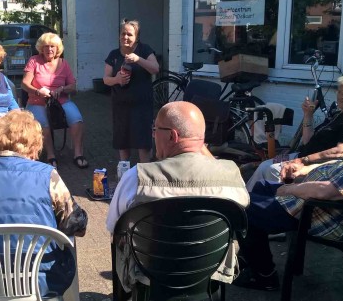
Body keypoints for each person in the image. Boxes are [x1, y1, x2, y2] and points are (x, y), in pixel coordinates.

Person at [233, 91, 343, 291]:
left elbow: (328, 192)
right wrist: (305, 169)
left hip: (320, 213)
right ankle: (250, 253)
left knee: (242, 208)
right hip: (321, 204)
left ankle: (264, 276)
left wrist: (290, 188)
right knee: (261, 188)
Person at [106, 101, 250, 293]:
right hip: (210, 273)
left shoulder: (136, 177)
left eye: (155, 129)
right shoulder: (231, 175)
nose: (152, 134)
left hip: (149, 276)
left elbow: (113, 229)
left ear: (172, 136)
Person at [0, 110, 87, 298]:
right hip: (39, 278)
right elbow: (75, 224)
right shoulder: (47, 175)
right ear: (35, 145)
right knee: (69, 240)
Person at [245, 73, 343, 192]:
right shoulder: (338, 114)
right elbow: (307, 140)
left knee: (270, 168)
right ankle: (245, 201)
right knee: (264, 165)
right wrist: (308, 114)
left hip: (313, 165)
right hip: (300, 156)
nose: (341, 96)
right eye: (339, 91)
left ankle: (264, 203)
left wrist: (305, 160)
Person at [21, 32, 87, 168]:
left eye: (52, 46)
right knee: (43, 124)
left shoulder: (64, 63)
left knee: (77, 119)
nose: (49, 49)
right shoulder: (34, 60)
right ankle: (51, 156)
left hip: (60, 101)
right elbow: (24, 84)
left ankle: (78, 154)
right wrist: (38, 91)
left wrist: (62, 89)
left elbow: (73, 87)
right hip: (37, 101)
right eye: (46, 46)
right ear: (41, 48)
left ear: (58, 48)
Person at [103, 19, 160, 164]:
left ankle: (145, 172)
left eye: (129, 34)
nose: (125, 37)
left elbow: (155, 68)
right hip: (120, 105)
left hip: (141, 105)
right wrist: (116, 80)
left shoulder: (144, 50)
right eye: (123, 34)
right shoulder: (114, 55)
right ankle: (125, 172)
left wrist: (138, 59)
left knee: (142, 141)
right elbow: (105, 79)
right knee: (123, 140)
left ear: (137, 37)